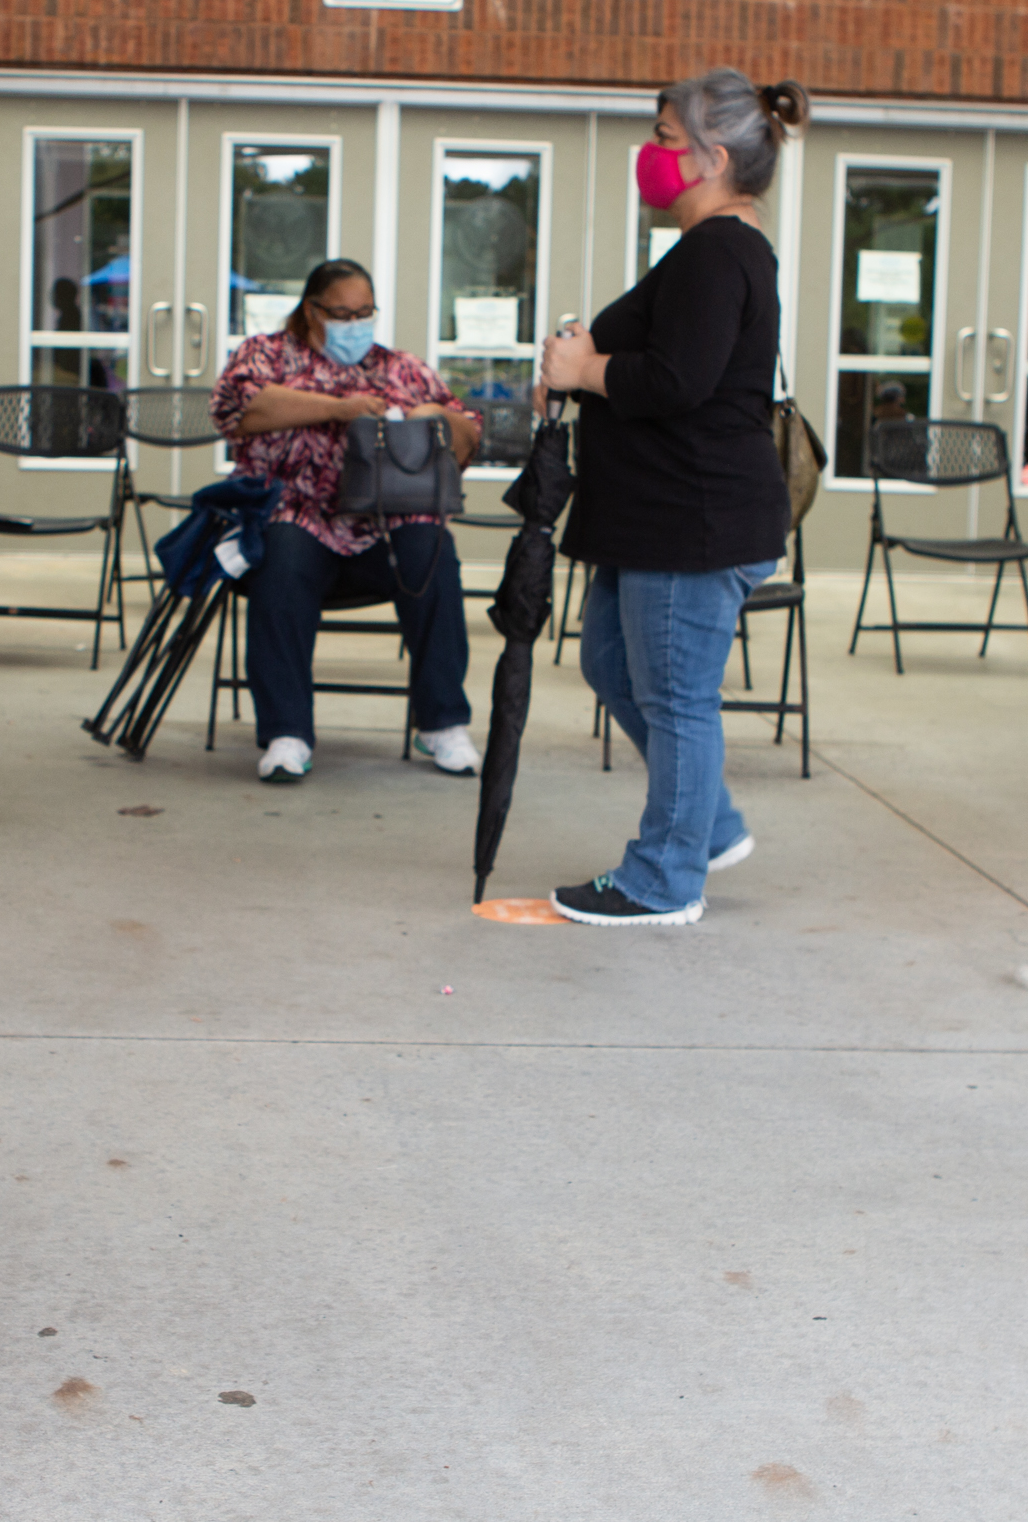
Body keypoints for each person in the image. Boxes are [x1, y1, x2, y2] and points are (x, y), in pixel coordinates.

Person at [533, 71, 803, 927]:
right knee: (613, 663)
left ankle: (664, 878)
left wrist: (585, 370)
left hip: (693, 518)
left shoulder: (721, 250)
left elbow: (680, 379)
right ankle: (709, 822)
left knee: (679, 698)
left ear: (713, 158)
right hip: (662, 515)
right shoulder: (706, 251)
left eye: (662, 137)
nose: (649, 156)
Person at [207, 257, 484, 783]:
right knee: (283, 553)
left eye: (365, 313)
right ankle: (287, 734)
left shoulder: (399, 367)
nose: (355, 324)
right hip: (299, 520)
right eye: (342, 313)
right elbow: (241, 410)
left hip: (382, 530)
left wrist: (435, 419)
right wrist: (337, 408)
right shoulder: (265, 355)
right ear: (311, 311)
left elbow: (469, 434)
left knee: (432, 548)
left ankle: (443, 722)